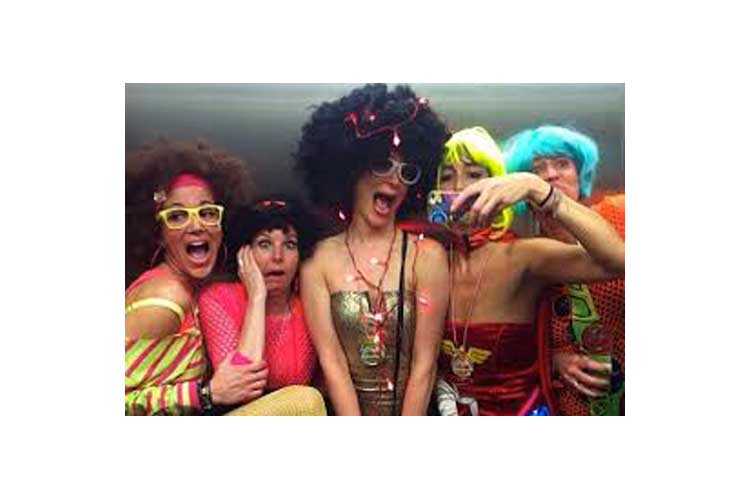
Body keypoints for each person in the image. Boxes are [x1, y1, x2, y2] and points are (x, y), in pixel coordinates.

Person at [431, 126, 624, 416]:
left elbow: (619, 262)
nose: (459, 186)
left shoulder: (524, 255)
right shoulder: (425, 257)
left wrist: (538, 189)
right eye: (446, 176)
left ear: (499, 186)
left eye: (474, 174)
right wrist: (551, 360)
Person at [295, 83, 452, 415]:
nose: (395, 180)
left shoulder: (427, 256)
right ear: (353, 170)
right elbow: (332, 362)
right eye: (383, 164)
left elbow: (425, 363)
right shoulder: (317, 261)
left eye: (406, 172)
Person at [125, 139, 267, 415]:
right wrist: (206, 394)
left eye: (207, 213)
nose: (196, 225)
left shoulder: (195, 290)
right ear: (159, 234)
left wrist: (258, 295)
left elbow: (243, 379)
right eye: (177, 216)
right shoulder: (165, 299)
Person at [504, 125, 625, 415]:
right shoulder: (528, 258)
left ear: (579, 174)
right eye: (537, 169)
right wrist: (552, 360)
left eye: (562, 164)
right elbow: (519, 341)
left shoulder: (621, 213)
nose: (550, 175)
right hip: (572, 406)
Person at [197, 198, 326, 415]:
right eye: (264, 244)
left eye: (289, 245)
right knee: (306, 399)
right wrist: (257, 296)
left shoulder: (308, 306)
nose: (277, 256)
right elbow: (242, 387)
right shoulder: (218, 298)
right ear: (244, 253)